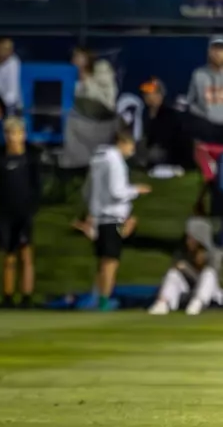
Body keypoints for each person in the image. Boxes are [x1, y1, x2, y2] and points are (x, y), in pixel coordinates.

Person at [83, 130, 150, 311]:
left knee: (104, 259)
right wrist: (137, 190)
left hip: (100, 218)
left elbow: (87, 191)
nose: (132, 150)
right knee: (111, 260)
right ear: (121, 142)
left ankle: (95, 297)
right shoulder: (115, 161)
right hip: (113, 218)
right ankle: (104, 300)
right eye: (130, 145)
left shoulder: (98, 158)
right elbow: (117, 191)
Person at [0, 118, 41, 309]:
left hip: (24, 213)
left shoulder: (30, 158)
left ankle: (27, 296)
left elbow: (36, 186)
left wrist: (32, 208)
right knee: (8, 256)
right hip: (5, 213)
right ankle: (8, 296)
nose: (13, 138)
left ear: (23, 135)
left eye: (17, 133)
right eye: (9, 133)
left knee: (26, 255)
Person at [148, 218, 222, 316]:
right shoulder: (182, 253)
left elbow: (215, 281)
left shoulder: (215, 255)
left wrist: (187, 269)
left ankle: (197, 303)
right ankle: (163, 303)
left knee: (209, 273)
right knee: (173, 274)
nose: (188, 241)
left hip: (213, 295)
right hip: (188, 292)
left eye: (191, 238)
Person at [0, 38, 21, 116]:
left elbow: (12, 93)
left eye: (9, 50)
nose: (6, 52)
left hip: (9, 106)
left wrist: (0, 104)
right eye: (4, 49)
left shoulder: (12, 62)